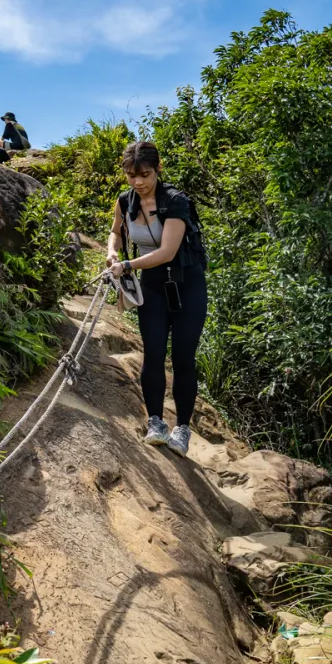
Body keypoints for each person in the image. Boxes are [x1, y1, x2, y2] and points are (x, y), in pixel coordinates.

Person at [106, 141, 208, 457]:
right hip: (151, 286)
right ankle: (155, 422)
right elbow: (117, 233)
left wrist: (127, 265)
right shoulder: (125, 202)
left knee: (182, 358)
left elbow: (167, 251)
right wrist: (111, 251)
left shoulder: (176, 201)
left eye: (144, 174)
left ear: (157, 169)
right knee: (152, 353)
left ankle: (183, 428)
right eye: (131, 175)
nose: (138, 182)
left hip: (186, 284)